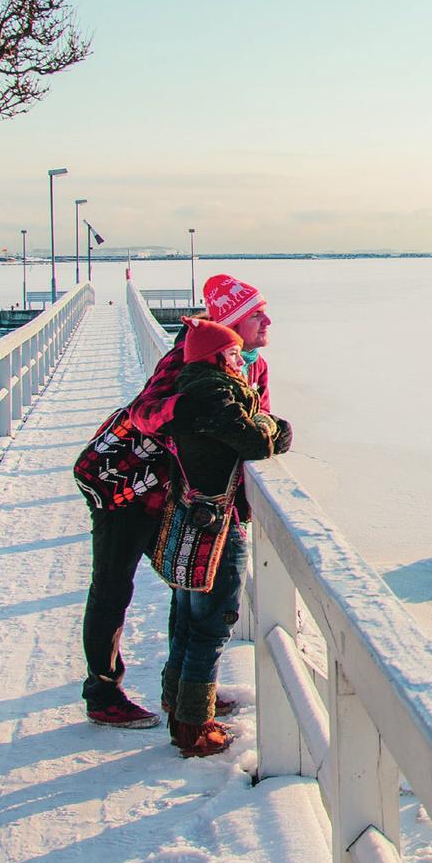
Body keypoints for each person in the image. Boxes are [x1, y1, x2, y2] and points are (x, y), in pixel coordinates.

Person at [81, 274, 276, 728]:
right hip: (126, 489)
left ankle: (182, 690)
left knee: (185, 585)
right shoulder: (189, 359)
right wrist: (191, 412)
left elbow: (258, 423)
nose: (268, 321)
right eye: (255, 315)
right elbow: (144, 414)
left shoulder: (253, 366)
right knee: (112, 588)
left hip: (178, 494)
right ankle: (102, 692)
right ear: (230, 325)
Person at [161, 318, 291, 757]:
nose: (242, 362)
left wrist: (265, 423)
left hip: (193, 517)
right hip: (214, 524)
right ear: (216, 358)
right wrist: (271, 426)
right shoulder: (213, 394)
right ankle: (194, 727)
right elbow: (256, 440)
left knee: (187, 617)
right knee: (212, 625)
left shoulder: (195, 388)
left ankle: (179, 704)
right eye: (234, 355)